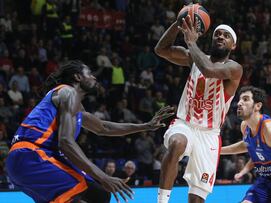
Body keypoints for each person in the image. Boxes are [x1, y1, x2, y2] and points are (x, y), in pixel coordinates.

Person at [5, 60, 174, 203]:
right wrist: (103, 176)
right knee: (92, 190)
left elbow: (103, 127)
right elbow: (66, 143)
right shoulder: (68, 92)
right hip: (32, 155)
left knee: (99, 194)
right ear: (78, 77)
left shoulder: (75, 105)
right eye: (89, 73)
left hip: (24, 161)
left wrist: (145, 126)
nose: (94, 77)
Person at [154, 14, 243, 203]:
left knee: (196, 199)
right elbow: (161, 49)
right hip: (185, 123)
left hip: (209, 134)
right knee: (177, 143)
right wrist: (178, 24)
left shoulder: (234, 68)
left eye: (226, 36)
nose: (220, 37)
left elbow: (209, 70)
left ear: (233, 46)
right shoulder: (195, 57)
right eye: (217, 34)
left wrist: (191, 43)